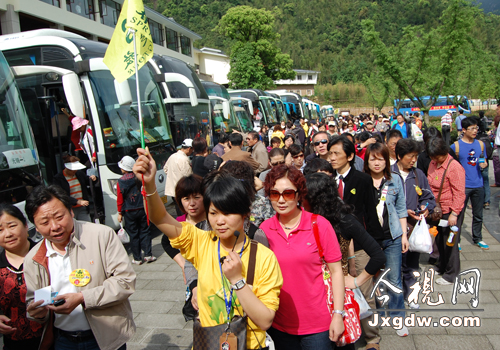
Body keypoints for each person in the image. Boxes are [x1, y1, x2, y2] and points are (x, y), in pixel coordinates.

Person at [134, 148, 283, 350]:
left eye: (228, 213)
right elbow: (160, 218)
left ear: (245, 213)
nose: (219, 221)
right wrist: (149, 184)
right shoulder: (202, 241)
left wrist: (237, 281)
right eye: (213, 212)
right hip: (208, 342)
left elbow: (265, 320)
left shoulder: (264, 257)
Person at [24, 185, 136, 350]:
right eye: (44, 222)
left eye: (59, 216)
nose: (54, 226)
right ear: (35, 225)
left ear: (70, 212)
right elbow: (33, 300)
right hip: (63, 340)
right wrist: (36, 313)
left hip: (105, 335)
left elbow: (125, 281)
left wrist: (83, 298)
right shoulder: (34, 258)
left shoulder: (101, 235)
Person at [261, 165, 345, 349]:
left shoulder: (319, 225)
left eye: (288, 193)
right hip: (279, 324)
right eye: (275, 194)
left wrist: (338, 314)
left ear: (299, 195)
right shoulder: (264, 230)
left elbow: (336, 272)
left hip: (318, 326)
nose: (281, 200)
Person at [327, 136, 384, 348]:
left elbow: (370, 214)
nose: (331, 158)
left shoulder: (362, 180)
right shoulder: (327, 179)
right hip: (333, 246)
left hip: (359, 246)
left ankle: (372, 338)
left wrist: (377, 244)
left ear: (350, 156)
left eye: (336, 154)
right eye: (329, 153)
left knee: (365, 292)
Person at [364, 142, 409, 337]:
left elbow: (401, 208)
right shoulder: (362, 181)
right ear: (366, 160)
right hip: (369, 239)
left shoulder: (394, 180)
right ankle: (379, 315)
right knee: (372, 280)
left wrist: (404, 235)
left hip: (392, 236)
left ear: (386, 161)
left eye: (381, 159)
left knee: (394, 278)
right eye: (372, 158)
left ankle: (398, 317)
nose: (377, 163)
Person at [392, 139, 437, 308]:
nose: (413, 160)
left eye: (415, 157)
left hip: (413, 229)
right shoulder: (389, 174)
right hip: (394, 228)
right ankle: (395, 297)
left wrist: (425, 208)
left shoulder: (418, 175)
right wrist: (402, 212)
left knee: (411, 264)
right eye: (410, 157)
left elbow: (428, 197)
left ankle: (411, 295)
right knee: (395, 265)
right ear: (399, 156)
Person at [0, 204, 43, 350]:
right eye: (0, 230)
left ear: (25, 225)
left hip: (54, 339)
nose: (8, 234)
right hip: (14, 344)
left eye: (12, 226)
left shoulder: (47, 255)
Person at [427, 137, 466, 285]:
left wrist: (454, 213)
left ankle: (452, 274)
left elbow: (459, 193)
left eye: (437, 156)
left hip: (450, 210)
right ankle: (442, 265)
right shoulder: (433, 163)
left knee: (450, 242)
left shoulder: (454, 167)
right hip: (437, 210)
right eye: (432, 157)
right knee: (439, 240)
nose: (434, 159)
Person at [451, 118, 490, 250]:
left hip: (478, 184)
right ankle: (457, 240)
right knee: (459, 215)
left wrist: (484, 163)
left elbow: (482, 158)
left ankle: (478, 238)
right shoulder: (455, 146)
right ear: (464, 130)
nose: (475, 131)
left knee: (478, 214)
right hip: (462, 186)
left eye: (476, 128)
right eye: (472, 128)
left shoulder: (480, 144)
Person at [117, 155, 156, 265]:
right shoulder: (140, 177)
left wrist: (119, 212)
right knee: (145, 230)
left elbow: (120, 199)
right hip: (142, 207)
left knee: (133, 234)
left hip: (128, 211)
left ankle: (137, 258)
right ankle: (148, 254)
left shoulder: (120, 181)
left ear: (124, 168)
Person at [52, 155, 96, 222]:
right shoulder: (58, 178)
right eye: (73, 170)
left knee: (87, 226)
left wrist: (93, 178)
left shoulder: (79, 174)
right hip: (69, 209)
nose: (74, 171)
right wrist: (76, 201)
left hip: (82, 207)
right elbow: (59, 194)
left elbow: (87, 181)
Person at [164, 138, 194, 216]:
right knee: (184, 211)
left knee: (178, 210)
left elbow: (165, 169)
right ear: (189, 148)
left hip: (172, 190)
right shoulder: (184, 159)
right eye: (192, 150)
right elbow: (188, 176)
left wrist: (173, 175)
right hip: (182, 189)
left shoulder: (172, 156)